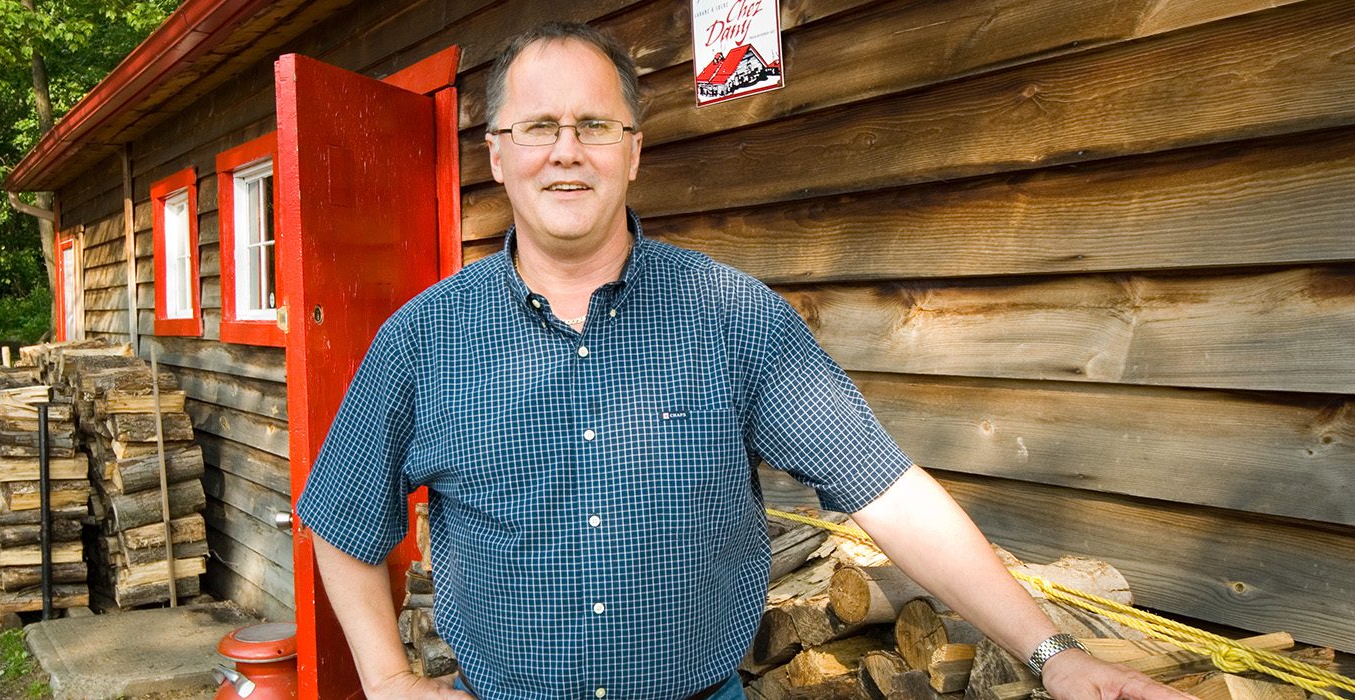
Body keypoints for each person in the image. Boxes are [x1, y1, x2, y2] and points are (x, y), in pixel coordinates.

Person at [295, 21, 1193, 700]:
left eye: (593, 125)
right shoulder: (422, 338)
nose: (565, 150)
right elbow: (342, 515)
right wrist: (383, 676)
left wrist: (1054, 654)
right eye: (537, 127)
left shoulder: (732, 317)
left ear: (634, 153)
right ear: (497, 155)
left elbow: (887, 491)